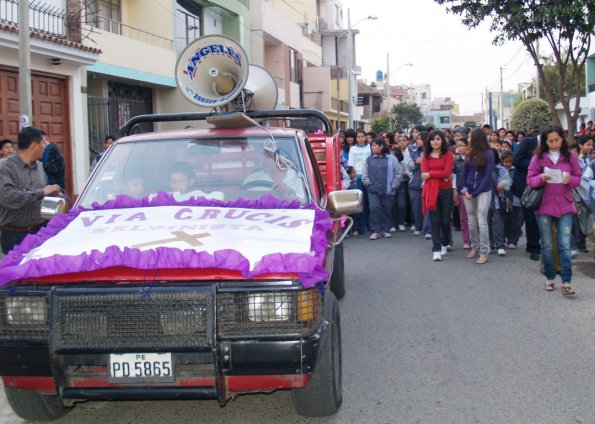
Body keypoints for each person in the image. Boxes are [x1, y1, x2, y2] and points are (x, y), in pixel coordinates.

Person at [526, 124, 582, 295]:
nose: (554, 144)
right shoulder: (539, 157)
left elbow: (578, 177)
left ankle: (566, 281)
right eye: (550, 141)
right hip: (544, 206)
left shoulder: (569, 157)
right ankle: (550, 278)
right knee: (548, 245)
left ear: (562, 139)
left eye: (556, 140)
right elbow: (530, 180)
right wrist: (541, 178)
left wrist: (570, 180)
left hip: (565, 205)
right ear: (545, 141)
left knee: (564, 245)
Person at [0, 127, 61, 254]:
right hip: (15, 236)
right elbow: (8, 198)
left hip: (39, 232)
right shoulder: (5, 167)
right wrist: (42, 192)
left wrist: (53, 197)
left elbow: (40, 197)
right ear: (34, 145)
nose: (46, 146)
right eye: (43, 143)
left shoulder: (39, 167)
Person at [462, 128, 495, 264]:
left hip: (483, 191)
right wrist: (464, 190)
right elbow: (464, 173)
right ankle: (474, 247)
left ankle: (484, 252)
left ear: (476, 138)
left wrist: (475, 192)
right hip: (468, 191)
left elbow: (487, 176)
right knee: (471, 221)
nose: (468, 139)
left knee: (482, 220)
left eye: (470, 137)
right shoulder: (469, 153)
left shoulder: (489, 154)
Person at [422, 130, 454, 261]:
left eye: (438, 139)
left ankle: (445, 242)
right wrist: (436, 174)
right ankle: (436, 249)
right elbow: (424, 174)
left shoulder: (449, 155)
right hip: (431, 191)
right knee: (435, 221)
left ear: (442, 140)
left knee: (446, 221)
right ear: (429, 141)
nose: (435, 142)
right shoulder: (426, 156)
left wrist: (431, 174)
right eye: (433, 139)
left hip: (446, 191)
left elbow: (447, 173)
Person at [362, 138, 402, 240]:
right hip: (373, 190)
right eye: (372, 145)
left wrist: (394, 186)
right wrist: (367, 184)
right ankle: (375, 230)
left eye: (374, 145)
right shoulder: (369, 159)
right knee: (374, 208)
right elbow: (364, 173)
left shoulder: (392, 158)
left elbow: (398, 173)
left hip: (388, 189)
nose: (372, 147)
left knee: (386, 209)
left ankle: (385, 229)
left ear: (381, 146)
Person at [512, 132, 541, 260]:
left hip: (543, 184)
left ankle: (534, 243)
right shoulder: (528, 142)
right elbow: (517, 161)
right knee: (530, 216)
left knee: (540, 216)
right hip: (525, 185)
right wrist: (536, 166)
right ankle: (534, 247)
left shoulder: (552, 147)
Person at [492, 150, 522, 256]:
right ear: (501, 161)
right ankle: (502, 240)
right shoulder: (499, 170)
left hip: (516, 199)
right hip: (503, 199)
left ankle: (513, 240)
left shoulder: (517, 170)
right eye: (506, 162)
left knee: (516, 221)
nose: (508, 164)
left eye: (510, 161)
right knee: (504, 221)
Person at [348, 130, 371, 235]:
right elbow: (351, 164)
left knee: (369, 203)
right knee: (360, 203)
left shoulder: (370, 147)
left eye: (362, 136)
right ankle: (360, 228)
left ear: (365, 138)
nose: (361, 138)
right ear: (356, 138)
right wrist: (354, 176)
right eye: (359, 137)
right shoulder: (353, 149)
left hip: (369, 178)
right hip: (358, 179)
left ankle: (369, 225)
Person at [453, 139, 471, 249]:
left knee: (474, 218)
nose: (459, 147)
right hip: (460, 191)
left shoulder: (473, 159)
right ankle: (466, 240)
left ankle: (475, 239)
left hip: (473, 191)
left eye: (462, 145)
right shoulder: (456, 160)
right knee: (463, 218)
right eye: (458, 145)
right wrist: (454, 190)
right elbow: (454, 176)